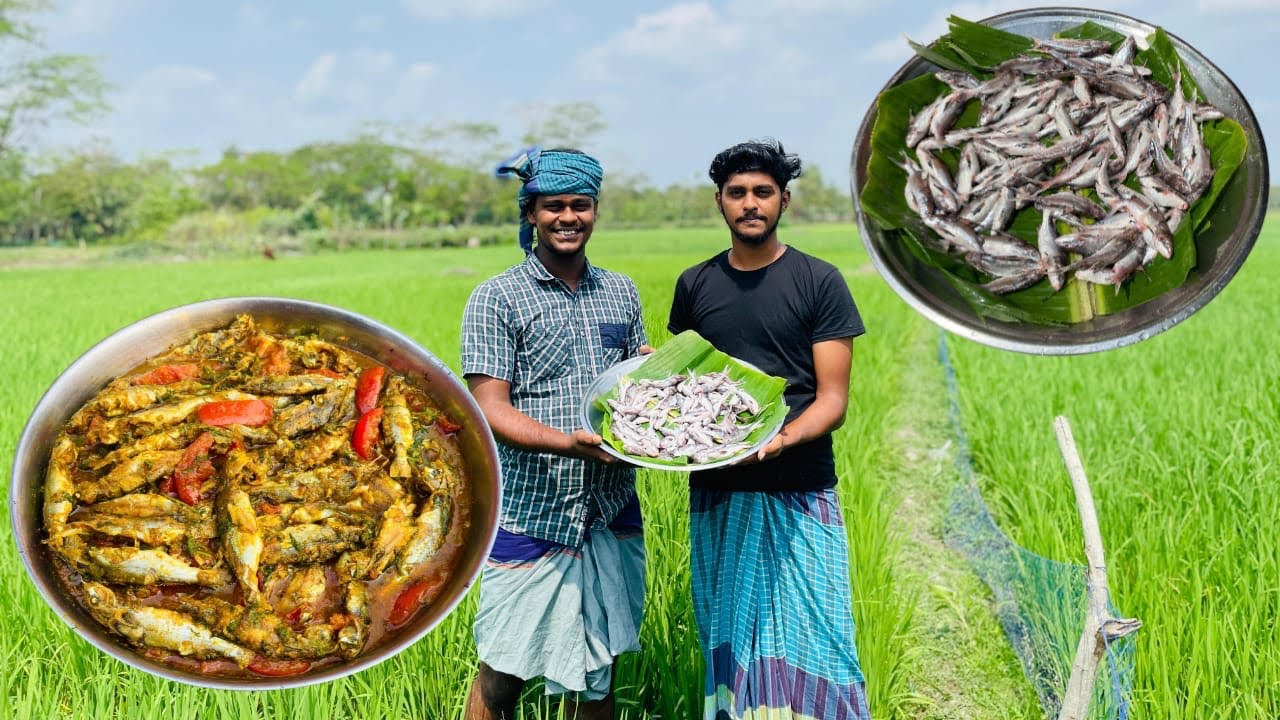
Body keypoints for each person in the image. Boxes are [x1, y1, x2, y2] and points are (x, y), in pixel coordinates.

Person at [667, 139, 871, 719]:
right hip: (718, 491)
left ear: (785, 200)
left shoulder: (818, 280)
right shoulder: (695, 285)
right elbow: (685, 388)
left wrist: (778, 440)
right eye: (737, 193)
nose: (749, 204)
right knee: (728, 632)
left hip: (799, 487)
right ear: (719, 203)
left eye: (762, 192)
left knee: (817, 634)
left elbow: (832, 399)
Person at [461, 147, 649, 720]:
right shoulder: (497, 297)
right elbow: (488, 407)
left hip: (609, 510)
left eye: (580, 205)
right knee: (503, 670)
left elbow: (635, 382)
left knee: (600, 670)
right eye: (553, 206)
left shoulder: (622, 292)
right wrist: (567, 442)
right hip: (531, 512)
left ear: (595, 211)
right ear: (531, 215)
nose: (568, 217)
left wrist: (656, 384)